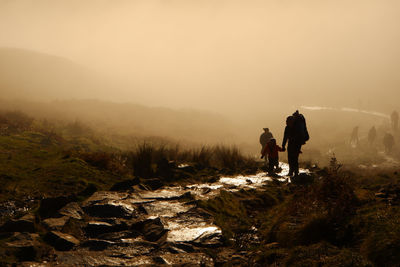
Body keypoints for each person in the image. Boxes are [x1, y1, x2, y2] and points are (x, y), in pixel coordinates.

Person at [282, 111, 309, 176]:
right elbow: (285, 137)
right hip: (292, 143)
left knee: (294, 158)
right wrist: (283, 145)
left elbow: (286, 137)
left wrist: (284, 145)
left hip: (297, 143)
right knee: (290, 157)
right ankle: (292, 171)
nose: (286, 122)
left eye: (287, 121)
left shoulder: (296, 128)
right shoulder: (287, 127)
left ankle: (295, 172)